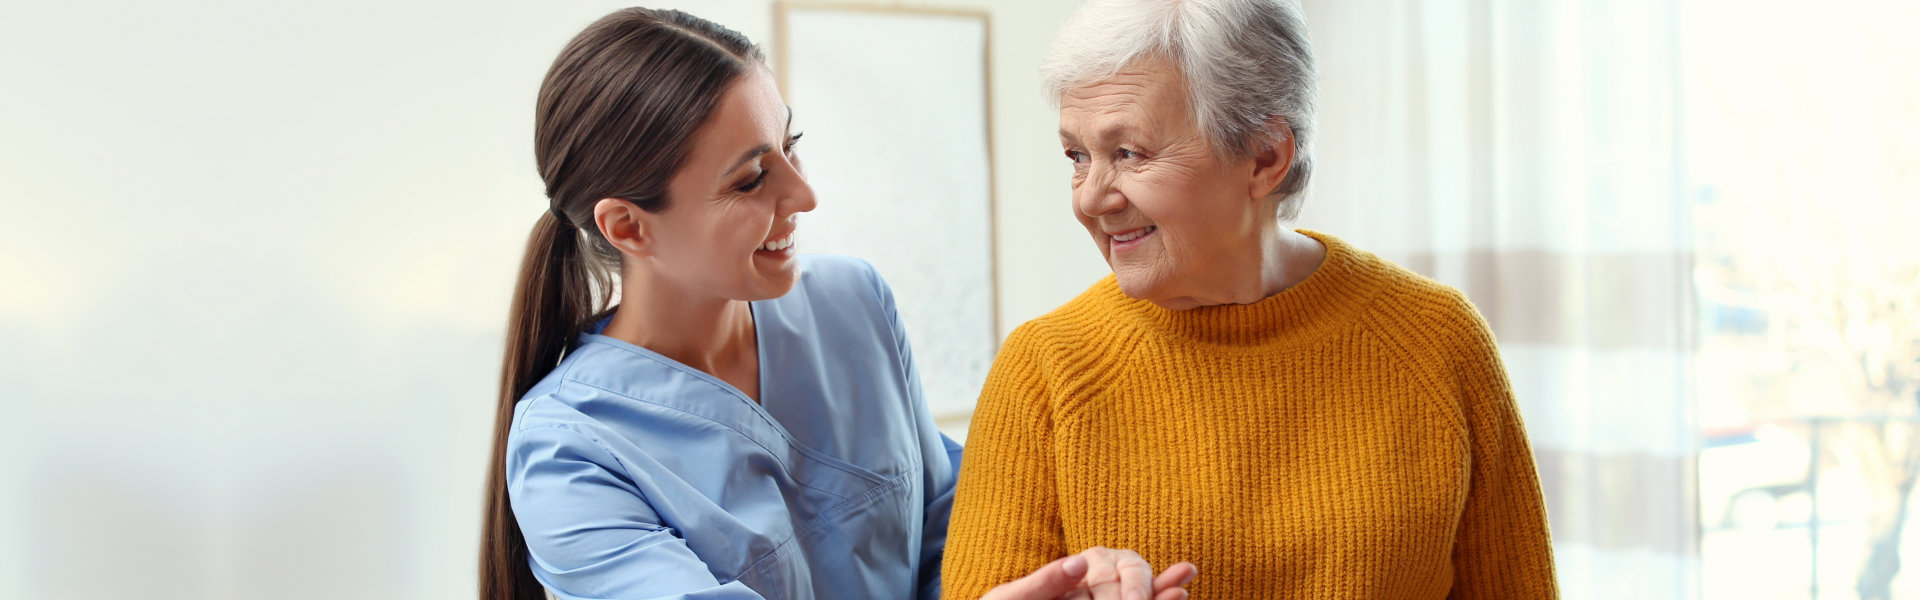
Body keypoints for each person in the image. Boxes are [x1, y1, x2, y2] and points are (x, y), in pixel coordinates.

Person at [475, 8, 1197, 600]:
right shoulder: (570, 451)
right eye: (753, 178)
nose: (804, 194)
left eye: (791, 146)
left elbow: (954, 534)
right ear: (628, 226)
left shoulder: (853, 304)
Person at [941, 0, 1559, 598]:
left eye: (1128, 153)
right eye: (1078, 156)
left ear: (1265, 156)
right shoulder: (1044, 369)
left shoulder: (1437, 340)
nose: (1090, 197)